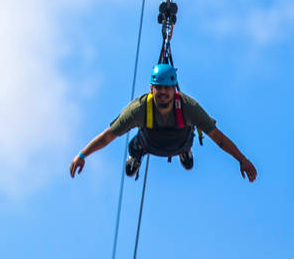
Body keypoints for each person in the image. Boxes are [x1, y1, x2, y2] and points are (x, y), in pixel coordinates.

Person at [69, 63, 257, 181]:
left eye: (167, 88)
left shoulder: (188, 107)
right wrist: (82, 154)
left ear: (175, 88)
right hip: (149, 144)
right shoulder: (139, 109)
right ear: (151, 88)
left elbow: (218, 138)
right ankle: (137, 156)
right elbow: (108, 136)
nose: (163, 93)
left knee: (185, 132)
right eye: (159, 88)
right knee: (136, 143)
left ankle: (185, 151)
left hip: (179, 143)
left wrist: (242, 160)